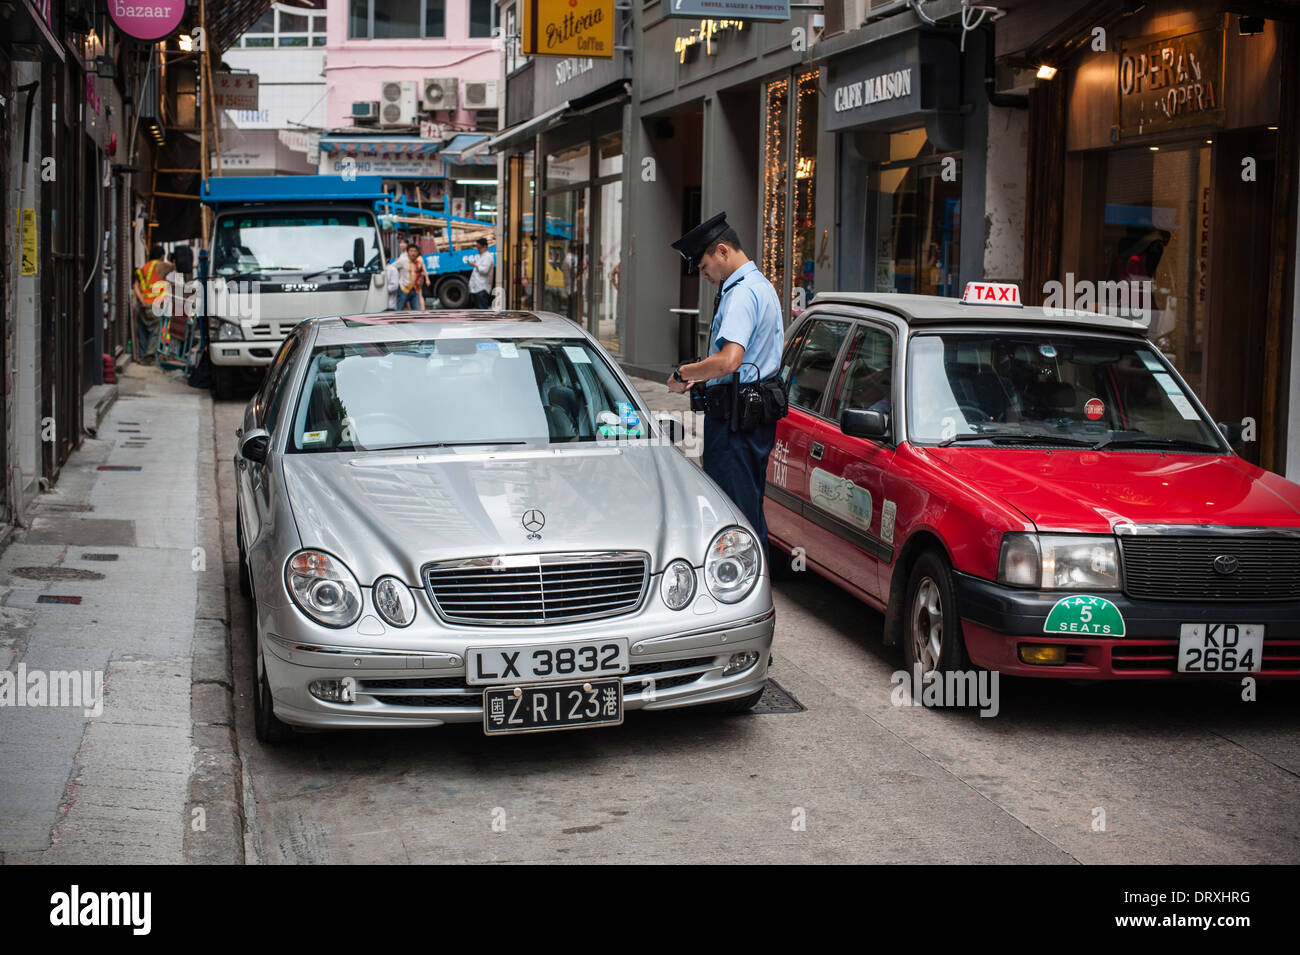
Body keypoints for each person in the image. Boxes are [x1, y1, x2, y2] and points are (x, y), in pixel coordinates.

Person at [667, 212, 785, 545]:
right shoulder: (760, 285)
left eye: (704, 267)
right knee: (748, 509)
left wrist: (684, 373)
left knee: (734, 518)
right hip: (749, 417)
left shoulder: (742, 294)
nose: (704, 276)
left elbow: (729, 361)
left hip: (735, 423)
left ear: (722, 251)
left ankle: (745, 592)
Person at [133, 244, 169, 365]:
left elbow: (135, 286)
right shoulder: (160, 267)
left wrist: (141, 300)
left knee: (143, 330)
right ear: (162, 256)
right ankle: (149, 356)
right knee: (155, 330)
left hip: (142, 305)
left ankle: (142, 356)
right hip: (154, 305)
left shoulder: (143, 268)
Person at [396, 243, 427, 310]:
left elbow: (422, 272)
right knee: (399, 311)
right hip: (403, 289)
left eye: (415, 251)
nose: (413, 253)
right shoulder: (403, 261)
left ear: (418, 252)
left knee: (416, 311)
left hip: (415, 290)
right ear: (408, 252)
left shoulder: (419, 262)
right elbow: (392, 268)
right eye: (411, 251)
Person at [469, 237, 494, 309]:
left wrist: (474, 265)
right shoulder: (482, 256)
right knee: (479, 310)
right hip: (478, 288)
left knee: (482, 311)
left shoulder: (488, 257)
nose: (478, 249)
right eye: (477, 247)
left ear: (485, 247)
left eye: (479, 248)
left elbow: (484, 270)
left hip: (482, 288)